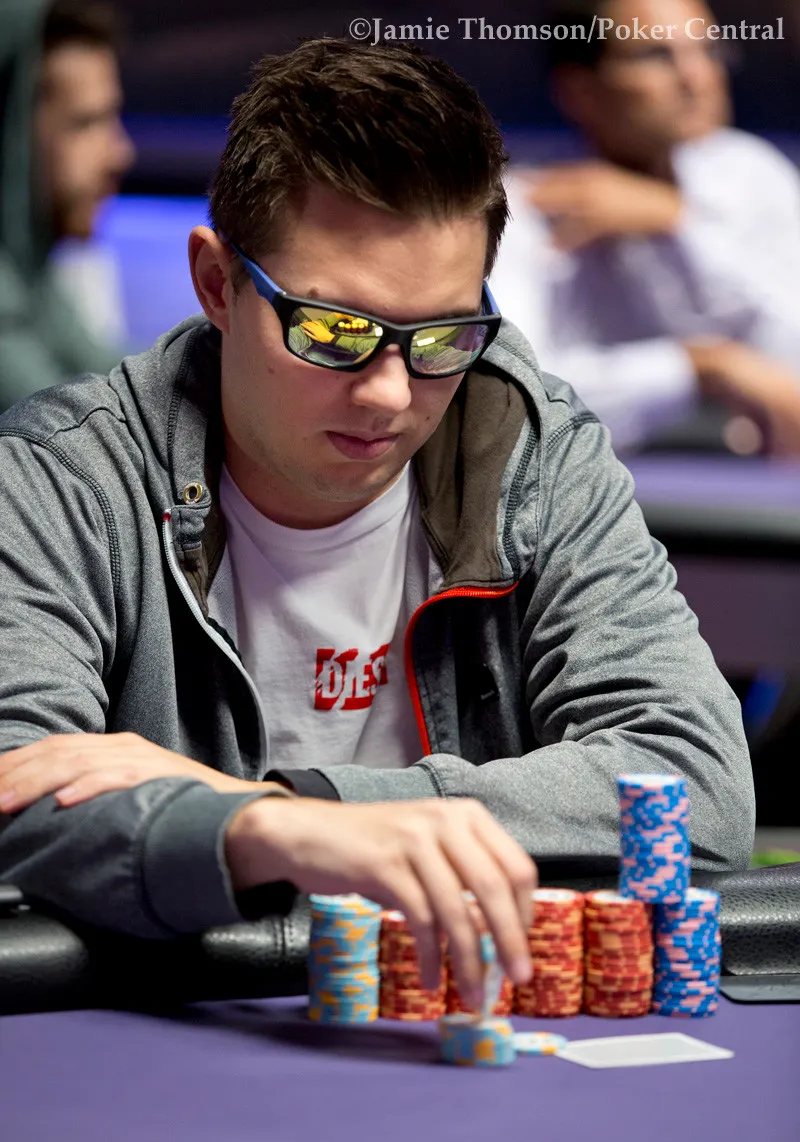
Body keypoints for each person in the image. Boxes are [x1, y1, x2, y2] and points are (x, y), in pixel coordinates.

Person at [0, 39, 753, 1010]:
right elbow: (16, 791)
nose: (391, 395)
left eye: (443, 336)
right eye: (334, 331)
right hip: (178, 1030)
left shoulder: (531, 448)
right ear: (218, 284)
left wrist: (295, 810)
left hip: (455, 1036)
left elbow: (693, 789)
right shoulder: (59, 476)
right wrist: (277, 835)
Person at [491, 0, 800, 455]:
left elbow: (791, 357)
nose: (697, 78)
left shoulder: (751, 174)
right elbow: (512, 394)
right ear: (580, 90)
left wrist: (677, 221)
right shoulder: (524, 209)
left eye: (708, 51)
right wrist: (700, 367)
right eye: (657, 55)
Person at [0, 0, 135, 413]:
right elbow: (67, 425)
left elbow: (122, 381)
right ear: (12, 135)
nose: (121, 153)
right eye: (86, 122)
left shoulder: (31, 281)